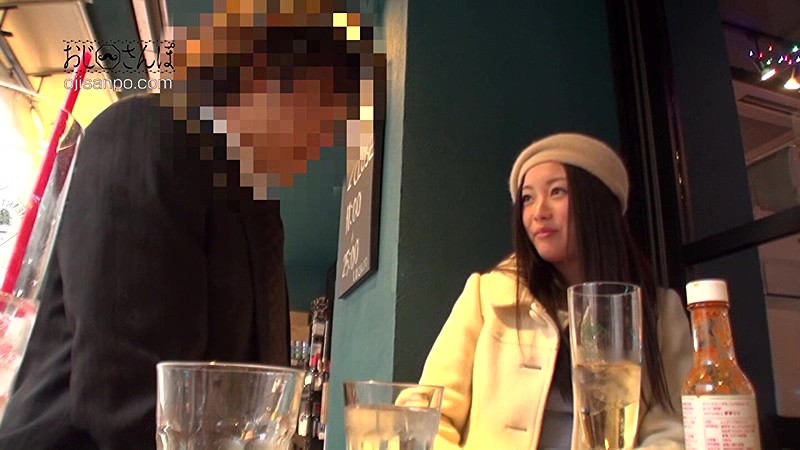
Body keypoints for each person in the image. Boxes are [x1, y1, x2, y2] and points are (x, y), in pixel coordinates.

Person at [0, 3, 381, 449]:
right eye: (322, 110)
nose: (322, 141)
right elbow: (127, 397)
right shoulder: (147, 134)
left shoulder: (257, 211)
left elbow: (257, 404)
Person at [418, 133, 693, 449]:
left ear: (597, 202)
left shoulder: (658, 311)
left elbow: (673, 429)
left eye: (557, 191)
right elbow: (425, 414)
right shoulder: (487, 295)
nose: (539, 212)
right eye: (528, 198)